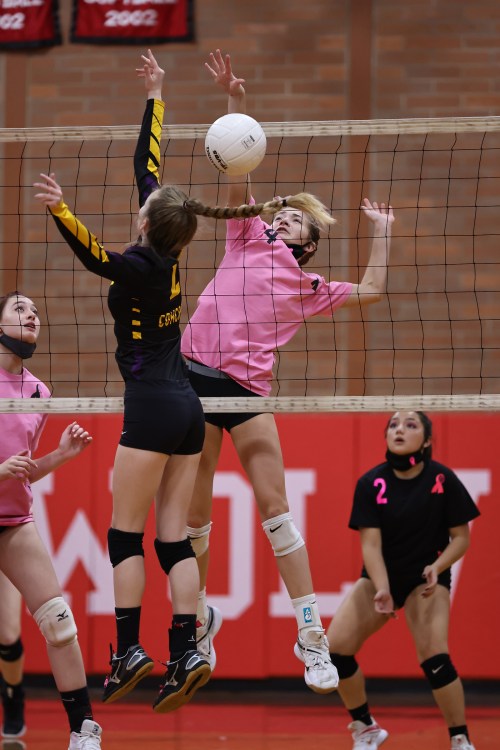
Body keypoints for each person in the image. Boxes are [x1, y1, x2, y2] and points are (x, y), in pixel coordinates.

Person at [180, 49, 395, 690]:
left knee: (276, 511)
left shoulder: (309, 287)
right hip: (193, 377)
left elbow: (373, 291)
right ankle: (198, 624)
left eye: (294, 219)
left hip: (246, 392)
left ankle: (311, 635)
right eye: (281, 212)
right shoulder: (247, 234)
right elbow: (236, 169)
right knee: (194, 518)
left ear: (308, 243)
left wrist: (382, 231)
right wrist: (235, 102)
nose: (282, 218)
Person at [33, 50, 216, 714]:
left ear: (147, 221)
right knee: (174, 539)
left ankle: (131, 650)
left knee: (123, 536)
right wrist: (156, 97)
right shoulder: (169, 250)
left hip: (153, 406)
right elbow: (148, 164)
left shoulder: (139, 263)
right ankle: (187, 650)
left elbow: (94, 257)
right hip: (189, 406)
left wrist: (61, 210)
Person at [326, 410, 480, 750]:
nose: (399, 430)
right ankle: (366, 727)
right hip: (382, 574)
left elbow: (461, 538)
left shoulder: (443, 479)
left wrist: (438, 566)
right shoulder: (371, 483)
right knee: (334, 652)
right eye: (393, 425)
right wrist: (382, 588)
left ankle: (460, 739)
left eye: (411, 426)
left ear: (426, 441)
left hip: (426, 577)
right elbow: (370, 545)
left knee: (435, 657)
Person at [0, 290, 102, 749]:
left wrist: (61, 455)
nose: (32, 315)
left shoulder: (39, 392)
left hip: (12, 522)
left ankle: (83, 730)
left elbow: (24, 470)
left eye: (36, 311)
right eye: (20, 308)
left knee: (59, 621)